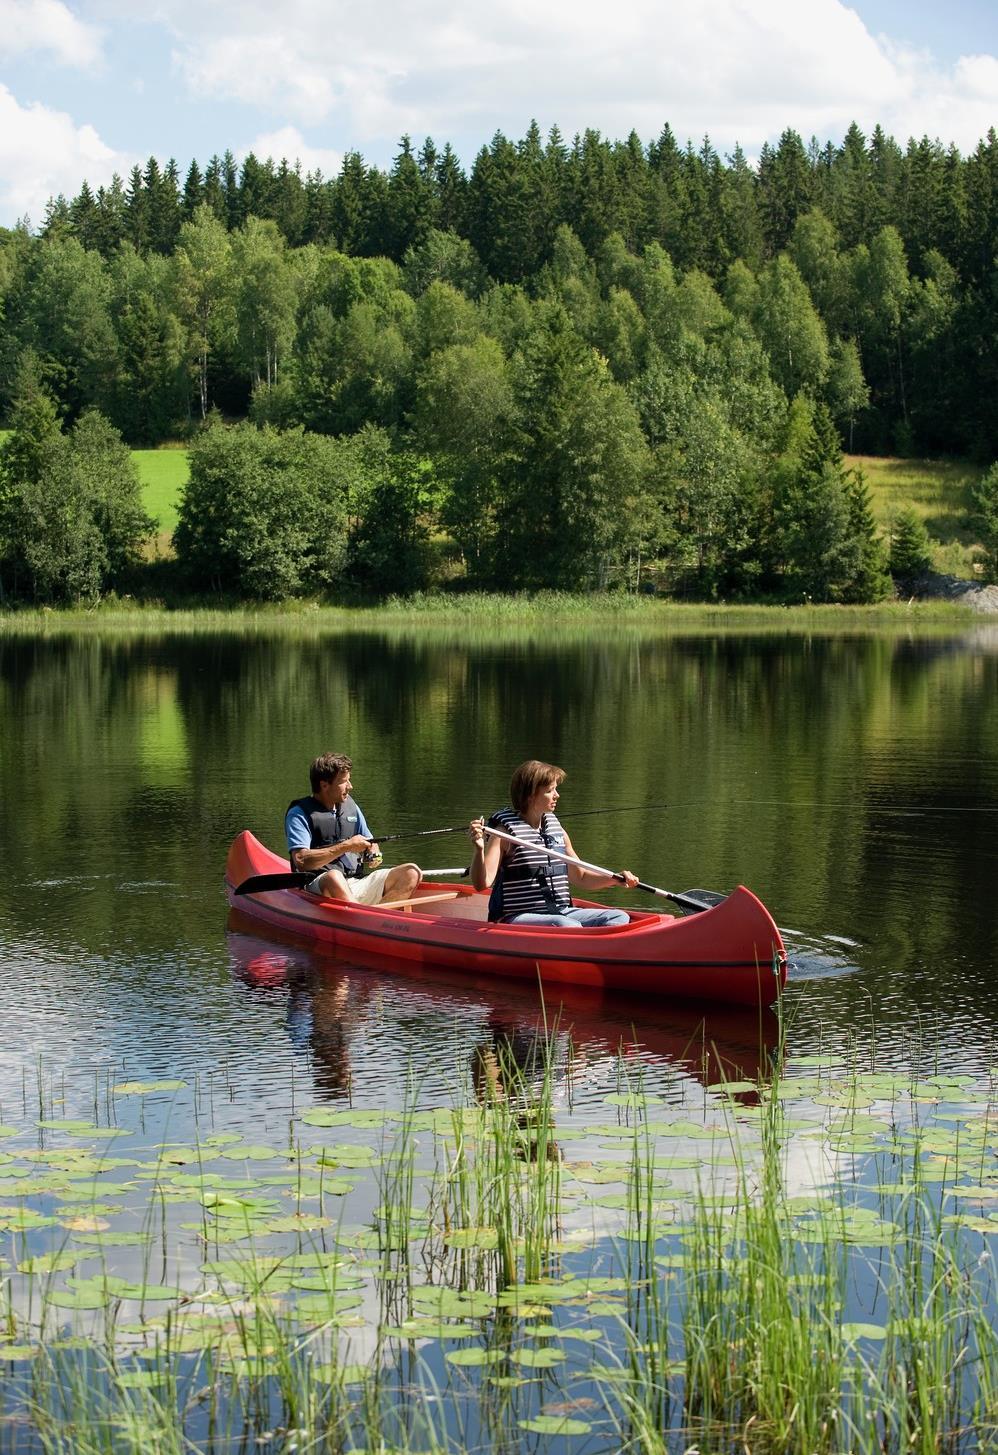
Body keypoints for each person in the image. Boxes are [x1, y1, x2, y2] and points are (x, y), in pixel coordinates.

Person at [468, 759, 638, 926]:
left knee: (618, 917)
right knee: (566, 925)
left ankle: (598, 950)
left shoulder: (557, 831)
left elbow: (581, 877)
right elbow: (482, 883)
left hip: (559, 911)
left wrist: (615, 879)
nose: (557, 795)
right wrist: (478, 850)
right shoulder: (503, 834)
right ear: (531, 795)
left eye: (555, 789)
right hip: (517, 916)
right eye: (550, 790)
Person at [285, 751, 421, 905]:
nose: (350, 786)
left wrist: (373, 852)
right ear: (324, 785)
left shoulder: (351, 807)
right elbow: (301, 860)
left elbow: (370, 841)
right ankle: (363, 919)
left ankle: (376, 919)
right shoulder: (299, 813)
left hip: (355, 881)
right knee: (334, 877)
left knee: (411, 872)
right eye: (344, 782)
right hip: (317, 885)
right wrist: (346, 846)